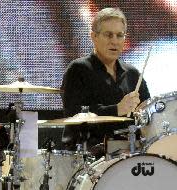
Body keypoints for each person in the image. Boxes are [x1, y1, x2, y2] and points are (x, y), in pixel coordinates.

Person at [60, 7, 150, 150]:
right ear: (94, 37)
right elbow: (74, 114)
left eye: (119, 35)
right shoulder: (78, 69)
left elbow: (148, 114)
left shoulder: (132, 74)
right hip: (87, 154)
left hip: (127, 152)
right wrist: (117, 109)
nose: (114, 41)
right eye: (108, 35)